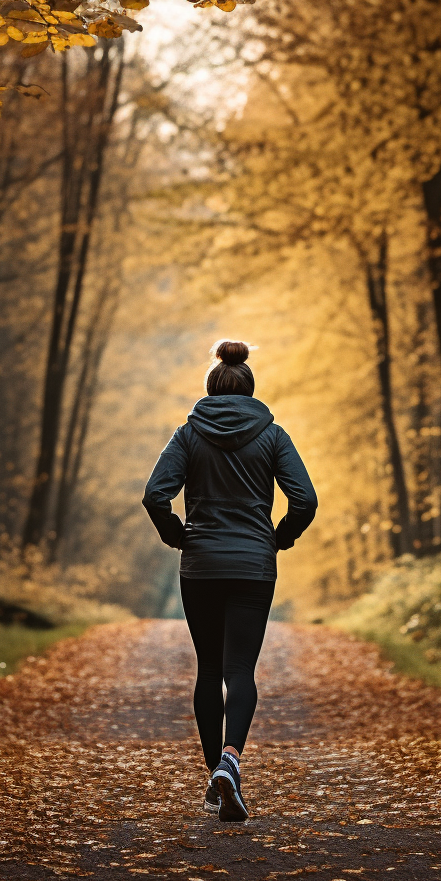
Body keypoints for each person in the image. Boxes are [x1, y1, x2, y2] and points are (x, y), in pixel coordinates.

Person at [142, 340, 317, 822]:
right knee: (239, 670)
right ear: (249, 387)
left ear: (211, 386)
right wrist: (278, 537)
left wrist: (178, 536)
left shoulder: (188, 435)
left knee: (207, 668)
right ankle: (230, 762)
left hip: (200, 565)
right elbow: (305, 500)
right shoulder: (273, 435)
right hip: (253, 566)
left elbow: (156, 495)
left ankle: (215, 777)